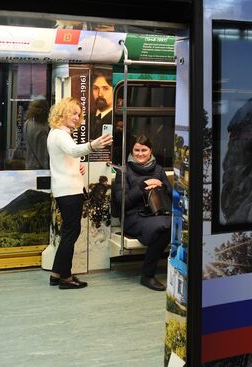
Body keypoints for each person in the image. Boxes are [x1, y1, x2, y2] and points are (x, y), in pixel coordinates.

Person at [47, 97, 113, 289]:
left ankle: (56, 273)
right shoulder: (60, 134)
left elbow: (68, 157)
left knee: (69, 232)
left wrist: (77, 166)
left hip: (66, 190)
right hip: (69, 192)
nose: (77, 117)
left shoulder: (59, 133)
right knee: (71, 233)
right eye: (73, 113)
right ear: (63, 112)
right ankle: (65, 278)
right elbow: (74, 150)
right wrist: (94, 145)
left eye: (79, 114)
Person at [112, 135, 172, 291]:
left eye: (144, 150)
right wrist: (142, 187)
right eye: (136, 150)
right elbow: (122, 202)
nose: (140, 154)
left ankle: (152, 273)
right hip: (133, 216)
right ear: (131, 151)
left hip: (157, 213)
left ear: (150, 151)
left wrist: (162, 186)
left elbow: (171, 194)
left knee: (169, 225)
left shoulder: (158, 170)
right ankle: (147, 275)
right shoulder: (123, 171)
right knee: (164, 227)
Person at [23, 97, 50, 169]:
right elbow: (43, 154)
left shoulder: (27, 123)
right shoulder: (42, 129)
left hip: (29, 165)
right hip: (39, 168)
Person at [89, 68, 113, 140]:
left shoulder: (118, 119)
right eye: (96, 88)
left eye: (105, 88)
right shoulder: (85, 119)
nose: (100, 94)